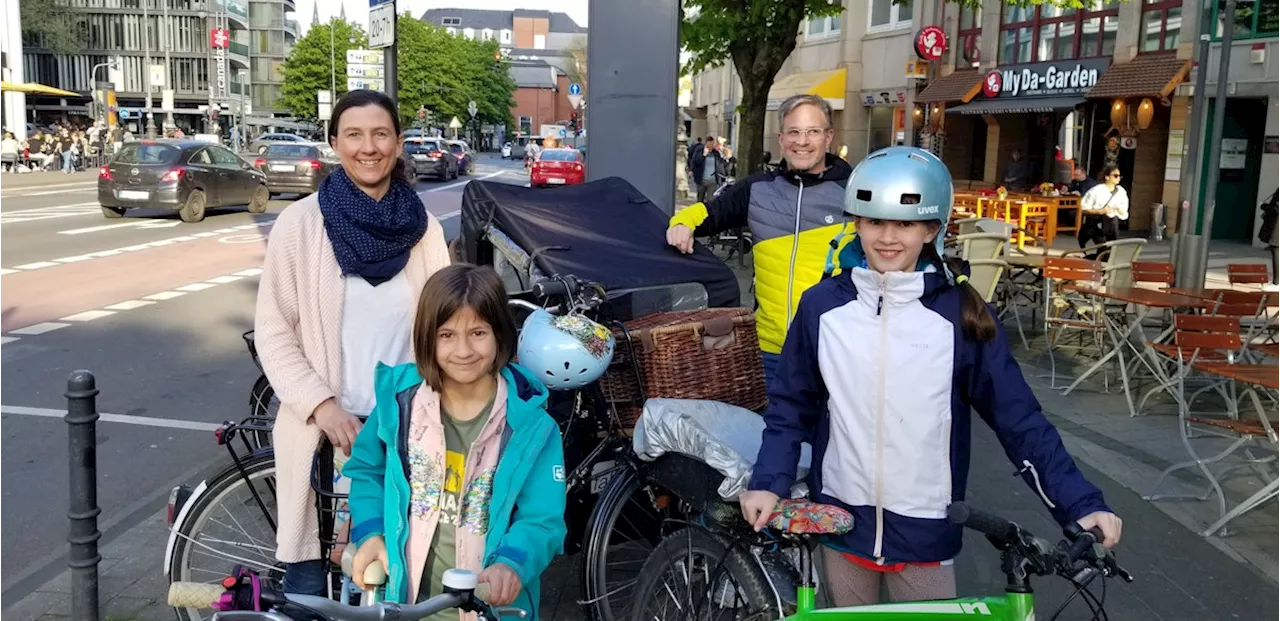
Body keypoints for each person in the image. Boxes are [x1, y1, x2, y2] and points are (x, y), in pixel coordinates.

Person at [739, 146, 1122, 606]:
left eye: (905, 223)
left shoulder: (959, 315)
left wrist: (1081, 503)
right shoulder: (822, 307)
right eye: (874, 221)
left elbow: (1019, 421)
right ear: (855, 223)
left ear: (931, 229)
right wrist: (768, 480)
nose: (887, 237)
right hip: (839, 519)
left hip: (926, 530)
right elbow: (791, 407)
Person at [254, 89, 452, 595]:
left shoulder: (423, 230)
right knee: (313, 584)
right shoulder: (299, 226)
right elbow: (275, 331)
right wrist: (322, 407)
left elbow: (444, 327)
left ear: (399, 144)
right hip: (326, 432)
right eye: (355, 135)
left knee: (401, 574)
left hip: (404, 429)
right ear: (334, 143)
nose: (369, 147)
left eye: (381, 133)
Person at [345, 264, 567, 614]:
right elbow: (366, 471)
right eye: (447, 335)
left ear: (500, 335)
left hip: (489, 608)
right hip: (403, 602)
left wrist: (512, 564)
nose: (463, 350)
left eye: (478, 333)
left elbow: (542, 520)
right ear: (427, 338)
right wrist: (371, 533)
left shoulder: (534, 428)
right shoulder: (398, 403)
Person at [666, 94, 853, 384]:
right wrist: (681, 223)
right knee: (770, 428)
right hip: (770, 352)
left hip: (837, 352)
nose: (802, 141)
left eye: (813, 132)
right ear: (781, 138)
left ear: (828, 137)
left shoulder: (855, 191)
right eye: (794, 132)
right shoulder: (759, 189)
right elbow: (710, 212)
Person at [1078, 164, 1129, 256]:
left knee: (1110, 248)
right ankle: (1097, 264)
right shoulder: (1096, 191)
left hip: (1111, 224)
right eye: (1115, 175)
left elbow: (1124, 211)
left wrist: (1118, 209)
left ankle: (1099, 264)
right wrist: (1099, 211)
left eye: (1119, 176)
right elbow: (1083, 209)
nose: (1118, 178)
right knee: (1103, 247)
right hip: (1096, 222)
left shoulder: (1121, 192)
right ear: (1107, 177)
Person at [689, 135, 726, 203]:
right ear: (706, 144)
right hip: (701, 180)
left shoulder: (715, 153)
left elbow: (720, 164)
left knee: (711, 200)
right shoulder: (700, 151)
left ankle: (709, 213)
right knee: (700, 200)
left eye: (712, 144)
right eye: (709, 144)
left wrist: (722, 175)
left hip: (712, 181)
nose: (711, 146)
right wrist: (704, 155)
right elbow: (695, 162)